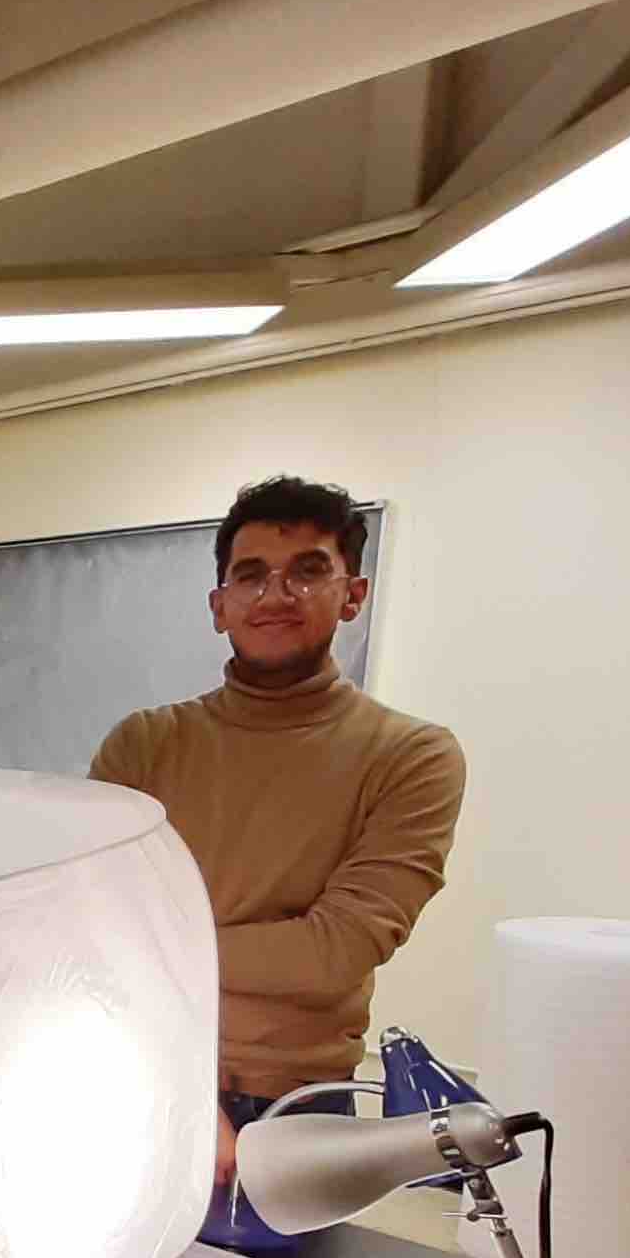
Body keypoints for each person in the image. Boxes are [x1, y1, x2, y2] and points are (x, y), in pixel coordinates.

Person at [87, 475, 466, 1192]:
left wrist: (158, 940)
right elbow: (89, 930)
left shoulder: (410, 756)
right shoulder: (145, 744)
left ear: (353, 595)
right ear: (219, 606)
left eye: (308, 571)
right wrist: (184, 1088)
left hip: (293, 1102)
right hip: (137, 1066)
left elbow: (334, 951)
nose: (275, 595)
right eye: (251, 575)